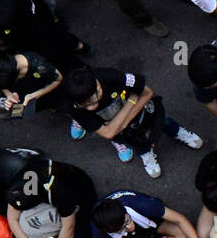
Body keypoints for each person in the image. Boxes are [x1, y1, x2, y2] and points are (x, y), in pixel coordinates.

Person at [62, 66, 202, 179]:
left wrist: (120, 124)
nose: (90, 107)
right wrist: (131, 102)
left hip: (147, 113)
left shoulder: (110, 76)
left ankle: (178, 132)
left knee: (165, 123)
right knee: (138, 143)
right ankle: (146, 154)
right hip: (126, 132)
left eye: (92, 101)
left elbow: (148, 93)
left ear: (97, 86)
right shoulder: (72, 105)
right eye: (83, 106)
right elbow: (108, 133)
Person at [3, 157, 97, 238]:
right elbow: (12, 217)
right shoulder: (22, 178)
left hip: (81, 198)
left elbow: (68, 227)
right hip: (56, 192)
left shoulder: (60, 193)